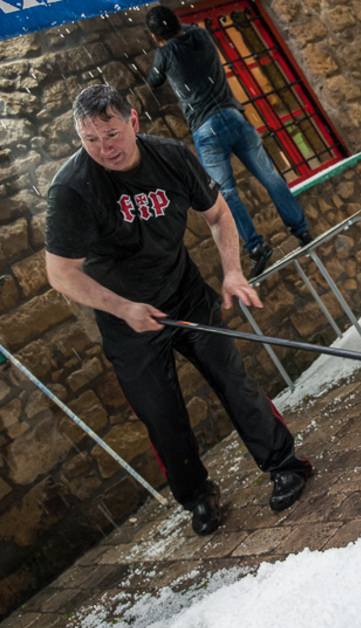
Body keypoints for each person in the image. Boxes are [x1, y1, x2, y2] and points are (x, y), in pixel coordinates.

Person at [44, 84, 312, 535]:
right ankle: (199, 498)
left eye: (111, 133)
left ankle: (285, 464)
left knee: (234, 381)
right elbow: (61, 273)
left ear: (133, 120)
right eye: (90, 139)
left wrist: (232, 271)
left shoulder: (171, 157)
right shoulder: (72, 189)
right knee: (162, 417)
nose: (103, 148)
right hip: (127, 321)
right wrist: (123, 307)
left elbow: (219, 214)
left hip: (186, 294)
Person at [144, 4, 313, 281]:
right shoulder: (200, 36)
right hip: (235, 116)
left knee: (227, 194)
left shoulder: (164, 53)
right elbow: (183, 32)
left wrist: (162, 45)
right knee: (270, 176)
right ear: (179, 23)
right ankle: (302, 230)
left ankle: (256, 247)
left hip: (207, 129)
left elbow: (153, 81)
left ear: (154, 37)